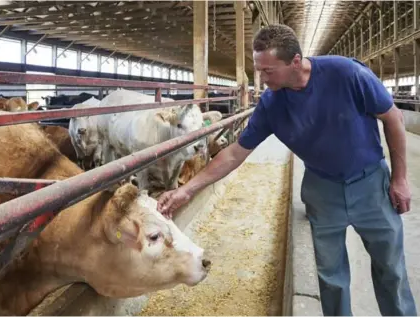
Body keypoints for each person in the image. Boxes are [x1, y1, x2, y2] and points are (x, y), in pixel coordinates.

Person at [157, 24, 417, 316]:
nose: (262, 78)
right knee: (332, 278)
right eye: (259, 70)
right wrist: (186, 190)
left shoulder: (346, 74)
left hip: (370, 184)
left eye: (268, 71)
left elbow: (393, 118)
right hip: (322, 188)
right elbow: (234, 153)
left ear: (295, 61)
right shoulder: (271, 105)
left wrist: (400, 179)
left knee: (391, 270)